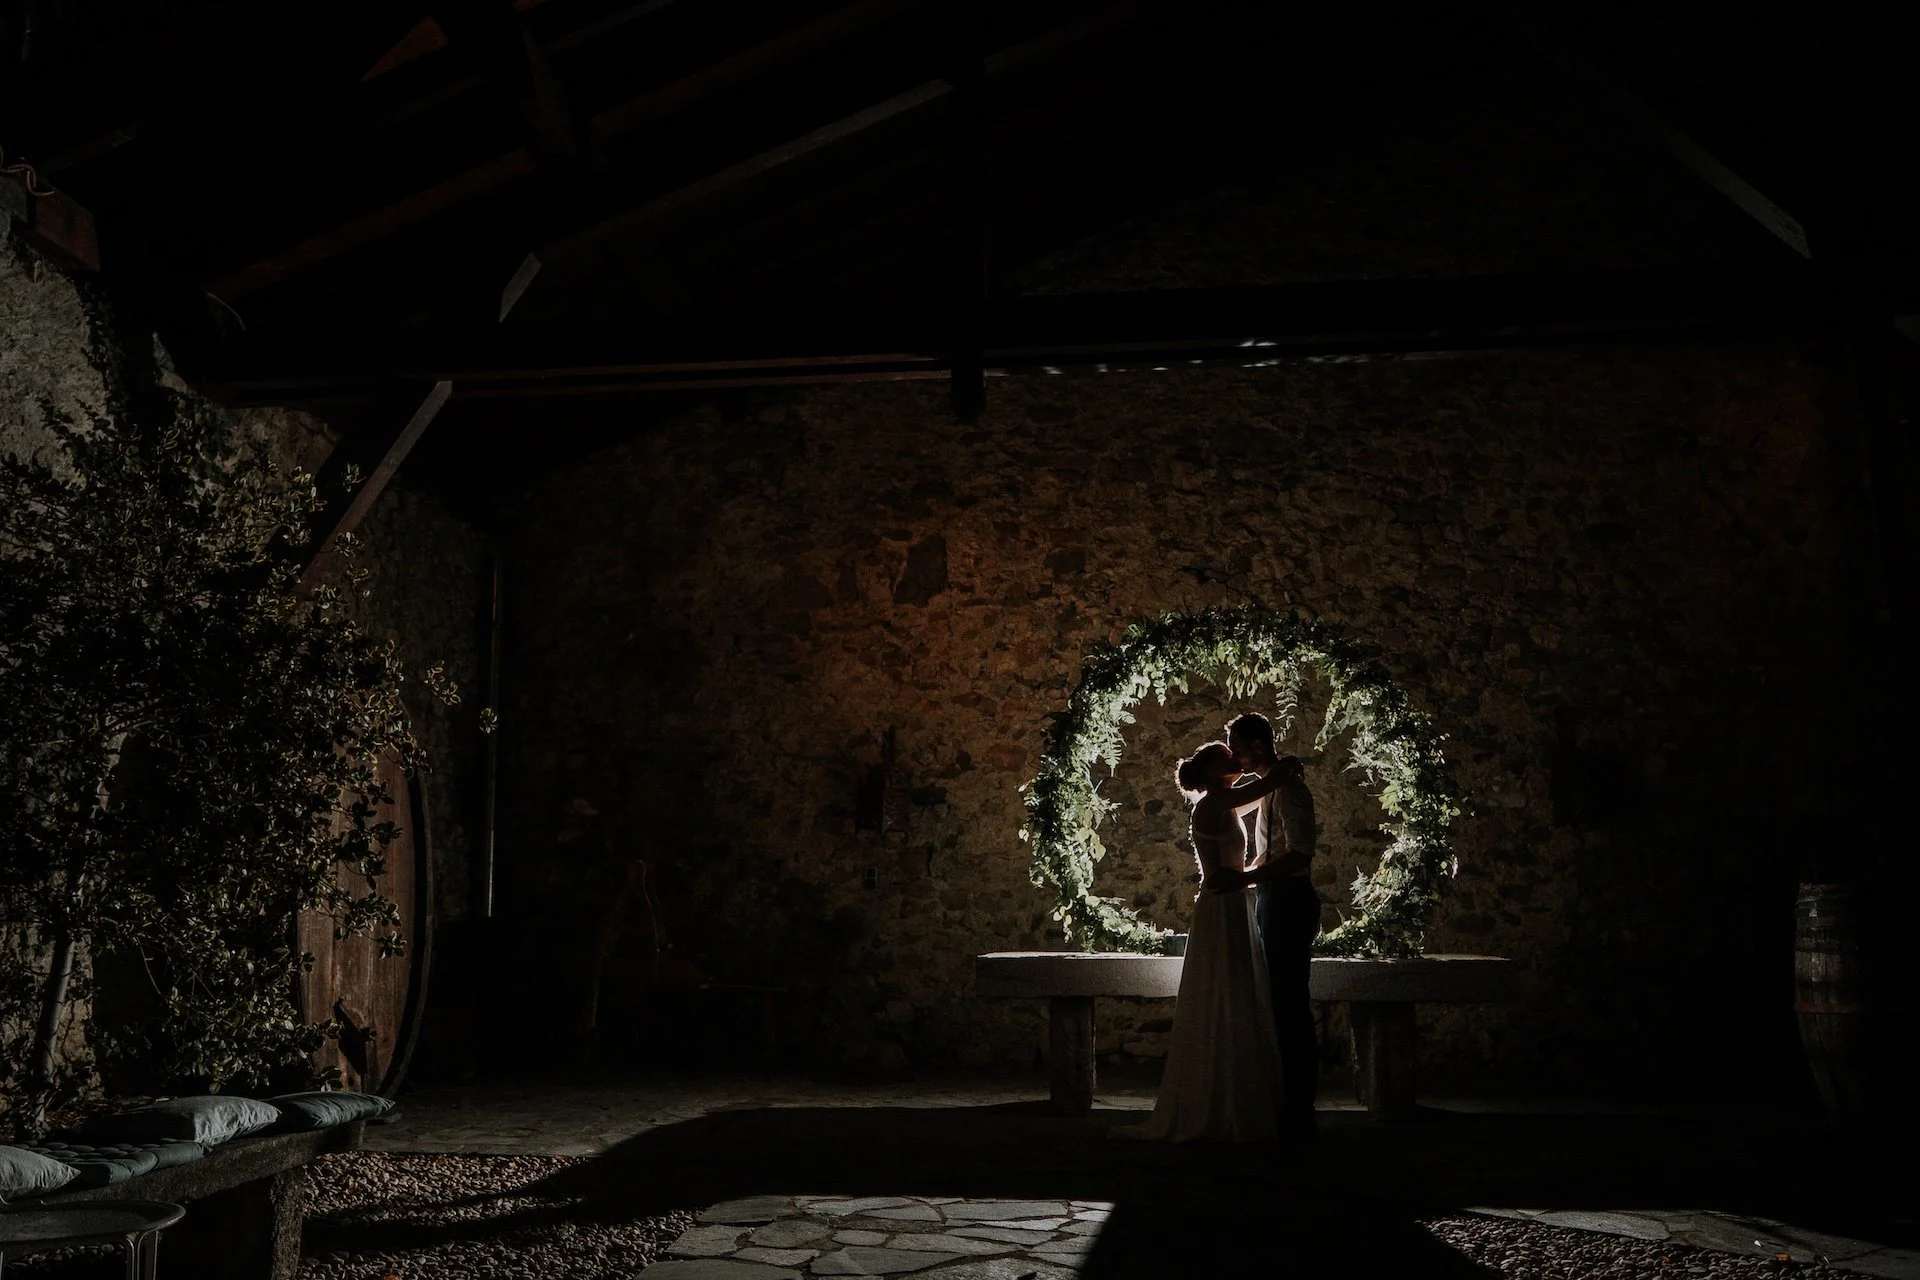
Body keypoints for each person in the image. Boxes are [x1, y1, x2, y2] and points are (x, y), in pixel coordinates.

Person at [1129, 740, 1289, 1142]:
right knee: (1225, 988)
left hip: (1230, 903)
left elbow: (1256, 796)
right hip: (1222, 906)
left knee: (1233, 988)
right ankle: (1222, 1097)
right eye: (1228, 757)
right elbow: (1264, 788)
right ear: (1217, 771)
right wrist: (1279, 768)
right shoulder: (1215, 805)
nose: (1236, 760)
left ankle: (1233, 1090)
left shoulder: (1222, 802)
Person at [1223, 712, 1321, 1137]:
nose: (1234, 755)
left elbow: (1299, 854)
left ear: (1258, 746)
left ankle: (1300, 1104)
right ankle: (1282, 1096)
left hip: (1289, 899)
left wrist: (1246, 878)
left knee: (1290, 1001)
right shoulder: (1268, 786)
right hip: (1270, 897)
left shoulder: (1292, 791)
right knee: (1276, 998)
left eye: (1238, 747)